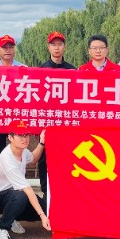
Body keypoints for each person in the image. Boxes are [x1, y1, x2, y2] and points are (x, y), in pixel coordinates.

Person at [0, 119, 50, 239]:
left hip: (15, 194)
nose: (24, 138)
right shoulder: (7, 159)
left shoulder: (23, 150)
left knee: (46, 209)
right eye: (20, 135)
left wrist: (42, 142)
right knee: (21, 197)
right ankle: (2, 228)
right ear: (10, 137)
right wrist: (42, 216)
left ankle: (12, 217)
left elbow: (33, 159)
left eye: (26, 135)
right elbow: (28, 189)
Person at [37, 31, 75, 200]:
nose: (57, 48)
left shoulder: (72, 70)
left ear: (64, 47)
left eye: (60, 44)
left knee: (65, 158)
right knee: (44, 158)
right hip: (47, 121)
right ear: (49, 47)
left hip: (65, 122)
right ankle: (46, 192)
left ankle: (65, 191)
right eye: (53, 44)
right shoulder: (41, 70)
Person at [0, 34, 25, 166]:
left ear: (14, 49)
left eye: (10, 47)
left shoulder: (23, 69)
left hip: (16, 116)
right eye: (4, 47)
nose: (7, 50)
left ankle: (17, 176)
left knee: (17, 151)